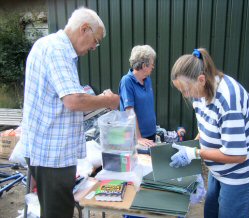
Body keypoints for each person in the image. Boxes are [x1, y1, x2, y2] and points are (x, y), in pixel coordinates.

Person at [21, 7, 119, 218]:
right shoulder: (58, 50)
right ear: (85, 29)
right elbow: (73, 100)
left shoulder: (50, 46)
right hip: (51, 155)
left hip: (48, 151)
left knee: (56, 210)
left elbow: (64, 103)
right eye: (96, 40)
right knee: (59, 213)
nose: (95, 47)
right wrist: (108, 100)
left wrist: (98, 100)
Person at [169, 48, 249, 218]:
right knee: (211, 213)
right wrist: (190, 148)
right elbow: (205, 128)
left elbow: (237, 155)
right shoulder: (199, 94)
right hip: (219, 168)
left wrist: (194, 153)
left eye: (185, 90)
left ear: (201, 79)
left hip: (242, 172)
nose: (185, 95)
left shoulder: (228, 101)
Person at [119, 45, 156, 147]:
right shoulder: (127, 81)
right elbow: (129, 112)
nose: (153, 67)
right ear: (144, 66)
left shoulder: (148, 80)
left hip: (151, 134)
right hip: (136, 138)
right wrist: (138, 137)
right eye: (152, 64)